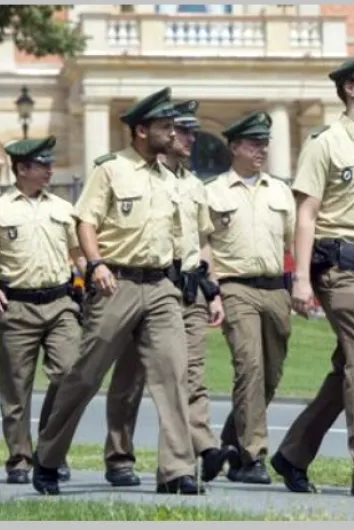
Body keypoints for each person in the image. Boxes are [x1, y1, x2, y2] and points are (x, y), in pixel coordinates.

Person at [31, 87, 200, 496]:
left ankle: (177, 469)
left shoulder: (168, 178)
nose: (172, 133)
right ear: (141, 130)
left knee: (173, 373)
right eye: (164, 127)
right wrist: (96, 263)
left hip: (161, 285)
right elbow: (84, 222)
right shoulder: (110, 170)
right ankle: (48, 457)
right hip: (116, 284)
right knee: (85, 375)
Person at [269, 49, 354, 499]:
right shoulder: (324, 142)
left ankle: (292, 453)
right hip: (341, 270)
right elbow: (306, 213)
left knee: (352, 368)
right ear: (351, 89)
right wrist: (302, 278)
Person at [100, 99, 231, 488]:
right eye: (182, 130)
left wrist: (213, 290)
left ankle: (189, 457)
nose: (188, 137)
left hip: (186, 290)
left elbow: (204, 241)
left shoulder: (192, 185)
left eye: (190, 131)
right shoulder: (139, 175)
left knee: (186, 376)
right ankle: (119, 455)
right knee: (130, 379)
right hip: (145, 285)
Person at [0, 136, 83, 485]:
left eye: (50, 163)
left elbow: (78, 253)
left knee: (69, 376)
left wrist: (91, 276)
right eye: (43, 164)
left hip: (61, 304)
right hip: (16, 306)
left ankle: (49, 453)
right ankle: (19, 459)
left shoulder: (64, 208)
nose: (51, 169)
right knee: (16, 390)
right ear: (22, 169)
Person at [202, 111, 296, 484]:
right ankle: (253, 456)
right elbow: (203, 245)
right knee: (249, 369)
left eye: (265, 143)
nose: (262, 149)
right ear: (235, 146)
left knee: (270, 375)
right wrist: (213, 291)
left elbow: (293, 240)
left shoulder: (280, 191)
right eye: (254, 143)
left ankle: (232, 442)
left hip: (275, 289)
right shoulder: (213, 192)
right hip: (235, 287)